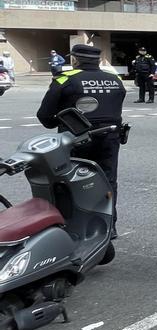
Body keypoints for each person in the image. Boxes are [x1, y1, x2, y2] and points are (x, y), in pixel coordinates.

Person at [37, 44, 127, 228]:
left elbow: (45, 115)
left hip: (76, 139)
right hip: (109, 138)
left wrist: (60, 122)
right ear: (99, 60)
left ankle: (76, 226)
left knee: (74, 182)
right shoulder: (115, 79)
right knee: (107, 180)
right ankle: (109, 226)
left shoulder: (65, 79)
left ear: (75, 60)